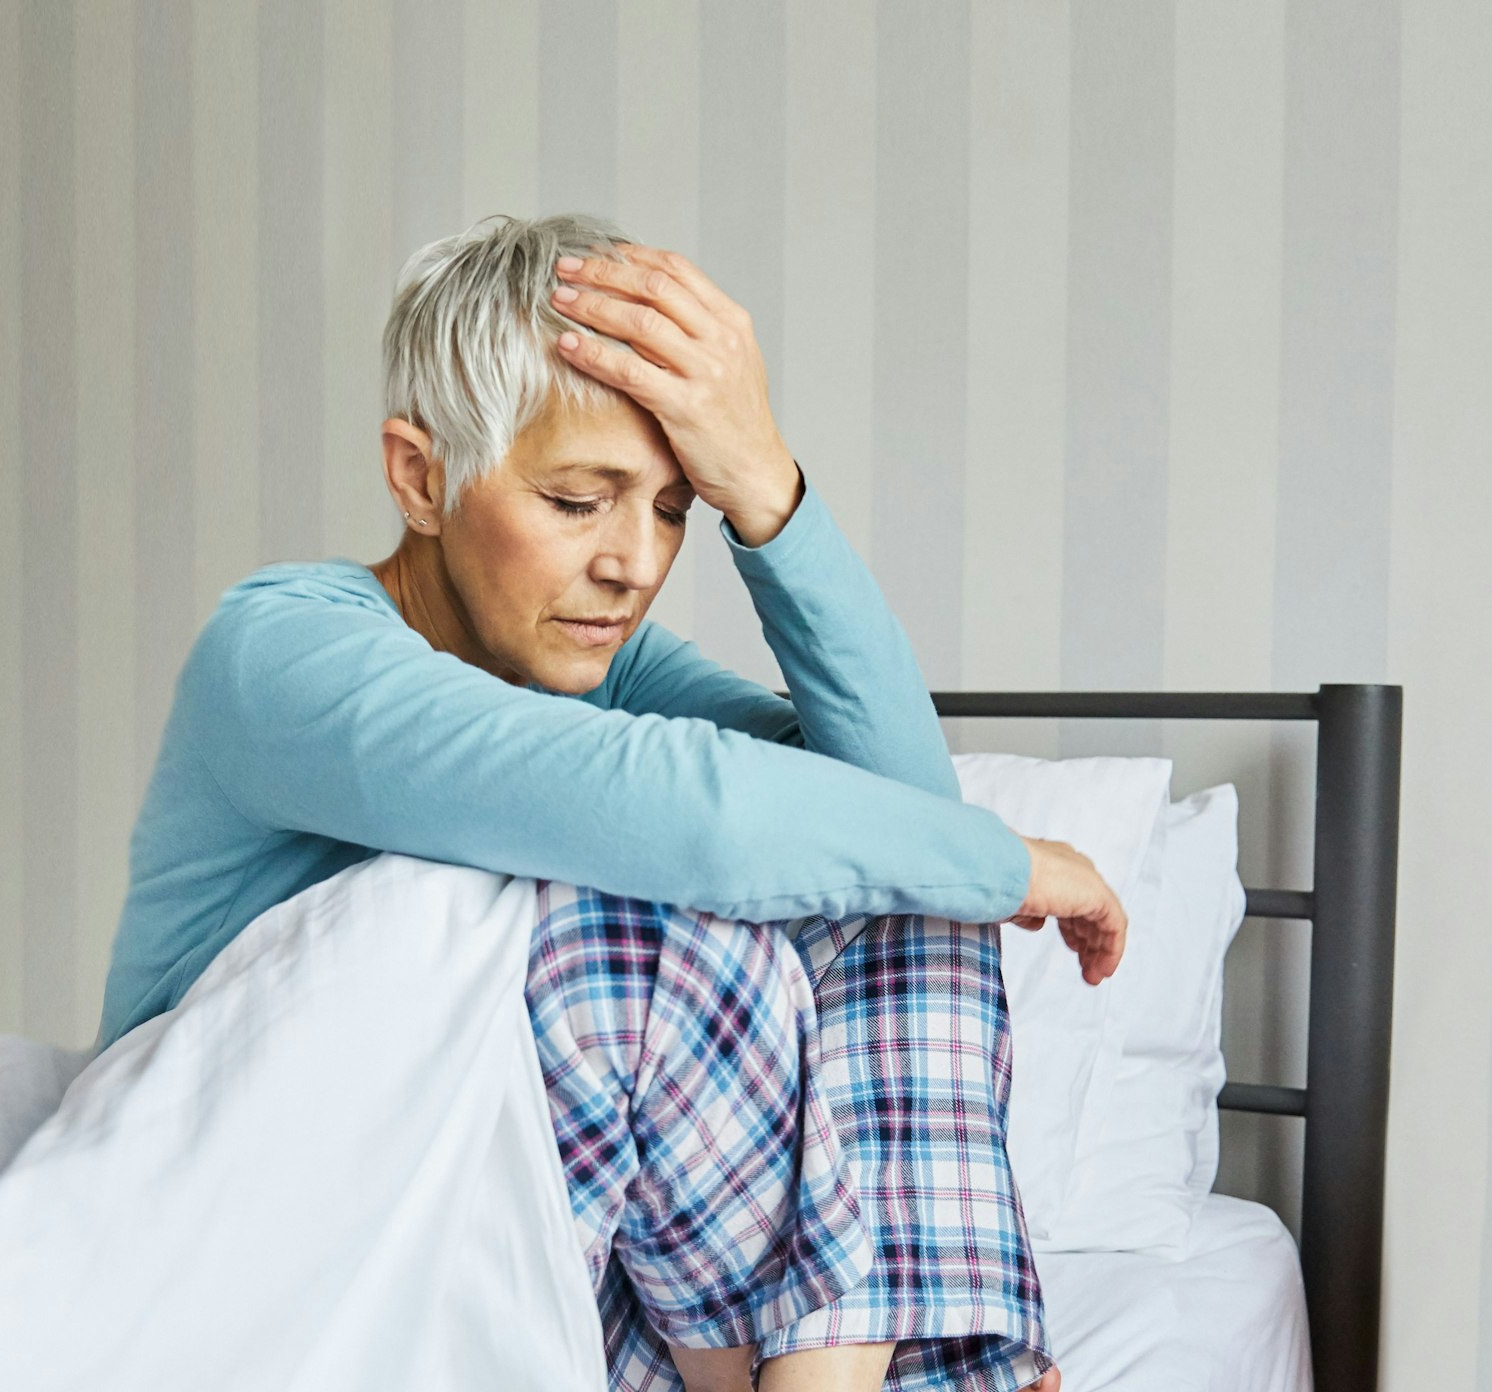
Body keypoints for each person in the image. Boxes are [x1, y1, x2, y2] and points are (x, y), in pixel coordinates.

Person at [92, 213, 1123, 1392]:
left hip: (533, 1237)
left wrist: (770, 494)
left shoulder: (591, 662)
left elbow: (892, 818)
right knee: (648, 921)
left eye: (674, 508)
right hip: (264, 1223)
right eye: (580, 501)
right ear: (420, 479)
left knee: (906, 894)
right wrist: (1006, 860)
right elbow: (695, 820)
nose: (633, 564)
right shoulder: (278, 652)